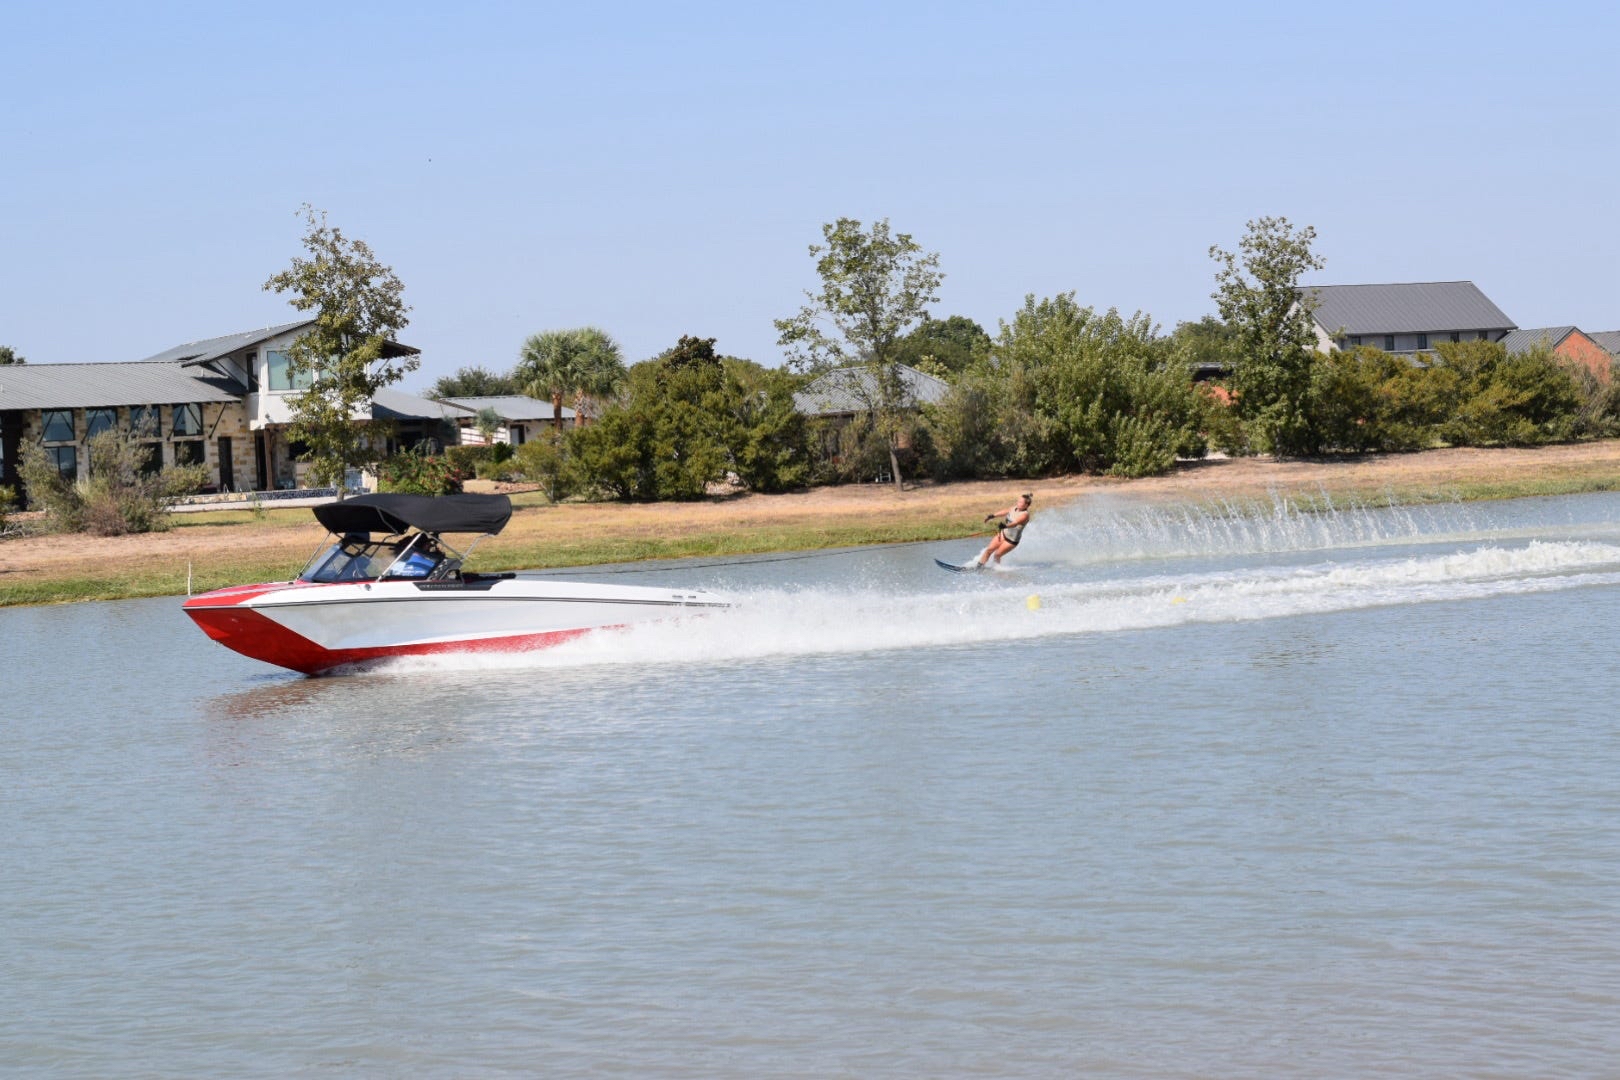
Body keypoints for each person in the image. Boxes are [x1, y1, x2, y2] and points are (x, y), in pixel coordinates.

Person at [972, 492, 1033, 567]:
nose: (1018, 503)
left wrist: (1005, 526)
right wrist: (993, 516)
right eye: (1018, 501)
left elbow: (1015, 523)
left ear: (1026, 505)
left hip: (1011, 540)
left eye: (1020, 502)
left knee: (997, 555)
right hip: (1003, 534)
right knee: (989, 550)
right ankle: (978, 568)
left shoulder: (1025, 515)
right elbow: (1005, 511)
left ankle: (997, 570)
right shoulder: (1014, 508)